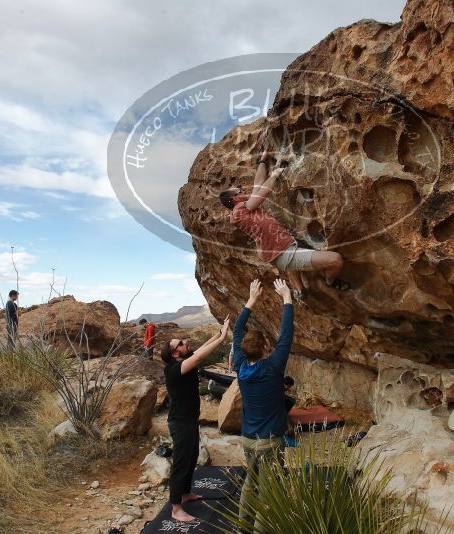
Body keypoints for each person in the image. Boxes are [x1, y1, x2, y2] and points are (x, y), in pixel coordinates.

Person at [219, 148, 349, 302]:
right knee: (335, 260)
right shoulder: (240, 211)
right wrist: (274, 174)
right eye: (239, 190)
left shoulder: (243, 207)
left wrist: (262, 160)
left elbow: (258, 182)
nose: (242, 189)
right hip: (283, 253)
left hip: (277, 247)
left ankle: (300, 291)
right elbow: (263, 193)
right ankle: (330, 281)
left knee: (291, 257)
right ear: (235, 199)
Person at [233, 278, 294, 532]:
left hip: (248, 439)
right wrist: (287, 297)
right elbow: (287, 335)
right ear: (266, 347)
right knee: (269, 491)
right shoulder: (272, 368)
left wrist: (251, 299)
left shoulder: (240, 366)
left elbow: (237, 331)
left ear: (245, 351)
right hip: (269, 441)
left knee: (250, 483)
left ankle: (242, 526)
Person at [160, 316, 230, 522]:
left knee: (191, 458)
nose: (184, 342)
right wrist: (223, 338)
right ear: (175, 354)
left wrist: (218, 334)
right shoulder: (174, 369)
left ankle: (185, 493)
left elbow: (198, 353)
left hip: (189, 420)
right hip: (180, 424)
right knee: (181, 463)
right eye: (180, 344)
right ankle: (175, 508)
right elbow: (199, 358)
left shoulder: (184, 363)